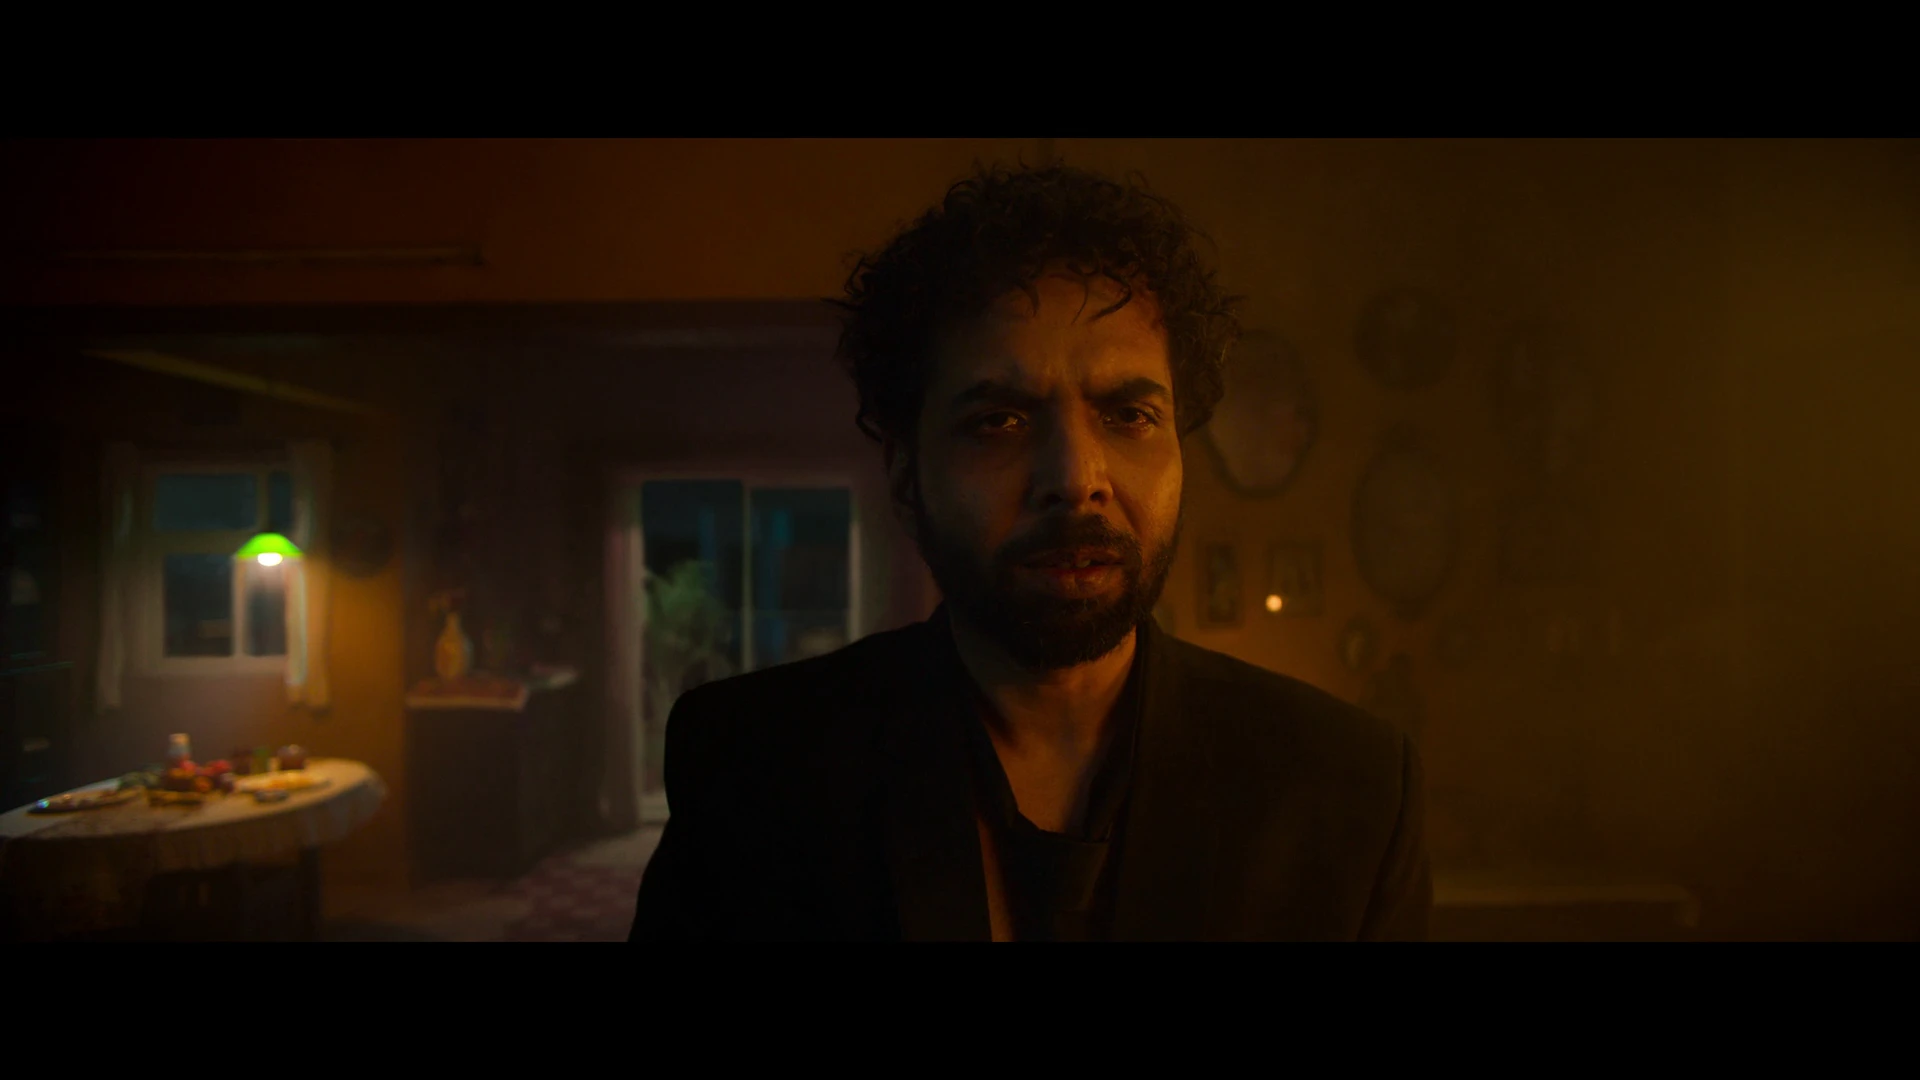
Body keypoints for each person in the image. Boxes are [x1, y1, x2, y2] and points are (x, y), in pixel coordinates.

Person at [630, 163, 1430, 941]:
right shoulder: (754, 769)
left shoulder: (1348, 789)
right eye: (999, 421)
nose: (1076, 480)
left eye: (1129, 416)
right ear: (907, 476)